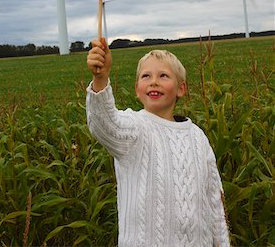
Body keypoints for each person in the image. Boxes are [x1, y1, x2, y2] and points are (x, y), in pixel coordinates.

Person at [86, 37, 230, 247]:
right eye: (146, 76)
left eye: (163, 75)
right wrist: (101, 78)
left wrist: (222, 243)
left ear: (181, 89)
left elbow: (215, 200)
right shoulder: (134, 128)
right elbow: (105, 125)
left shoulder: (198, 137)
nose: (154, 81)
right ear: (137, 89)